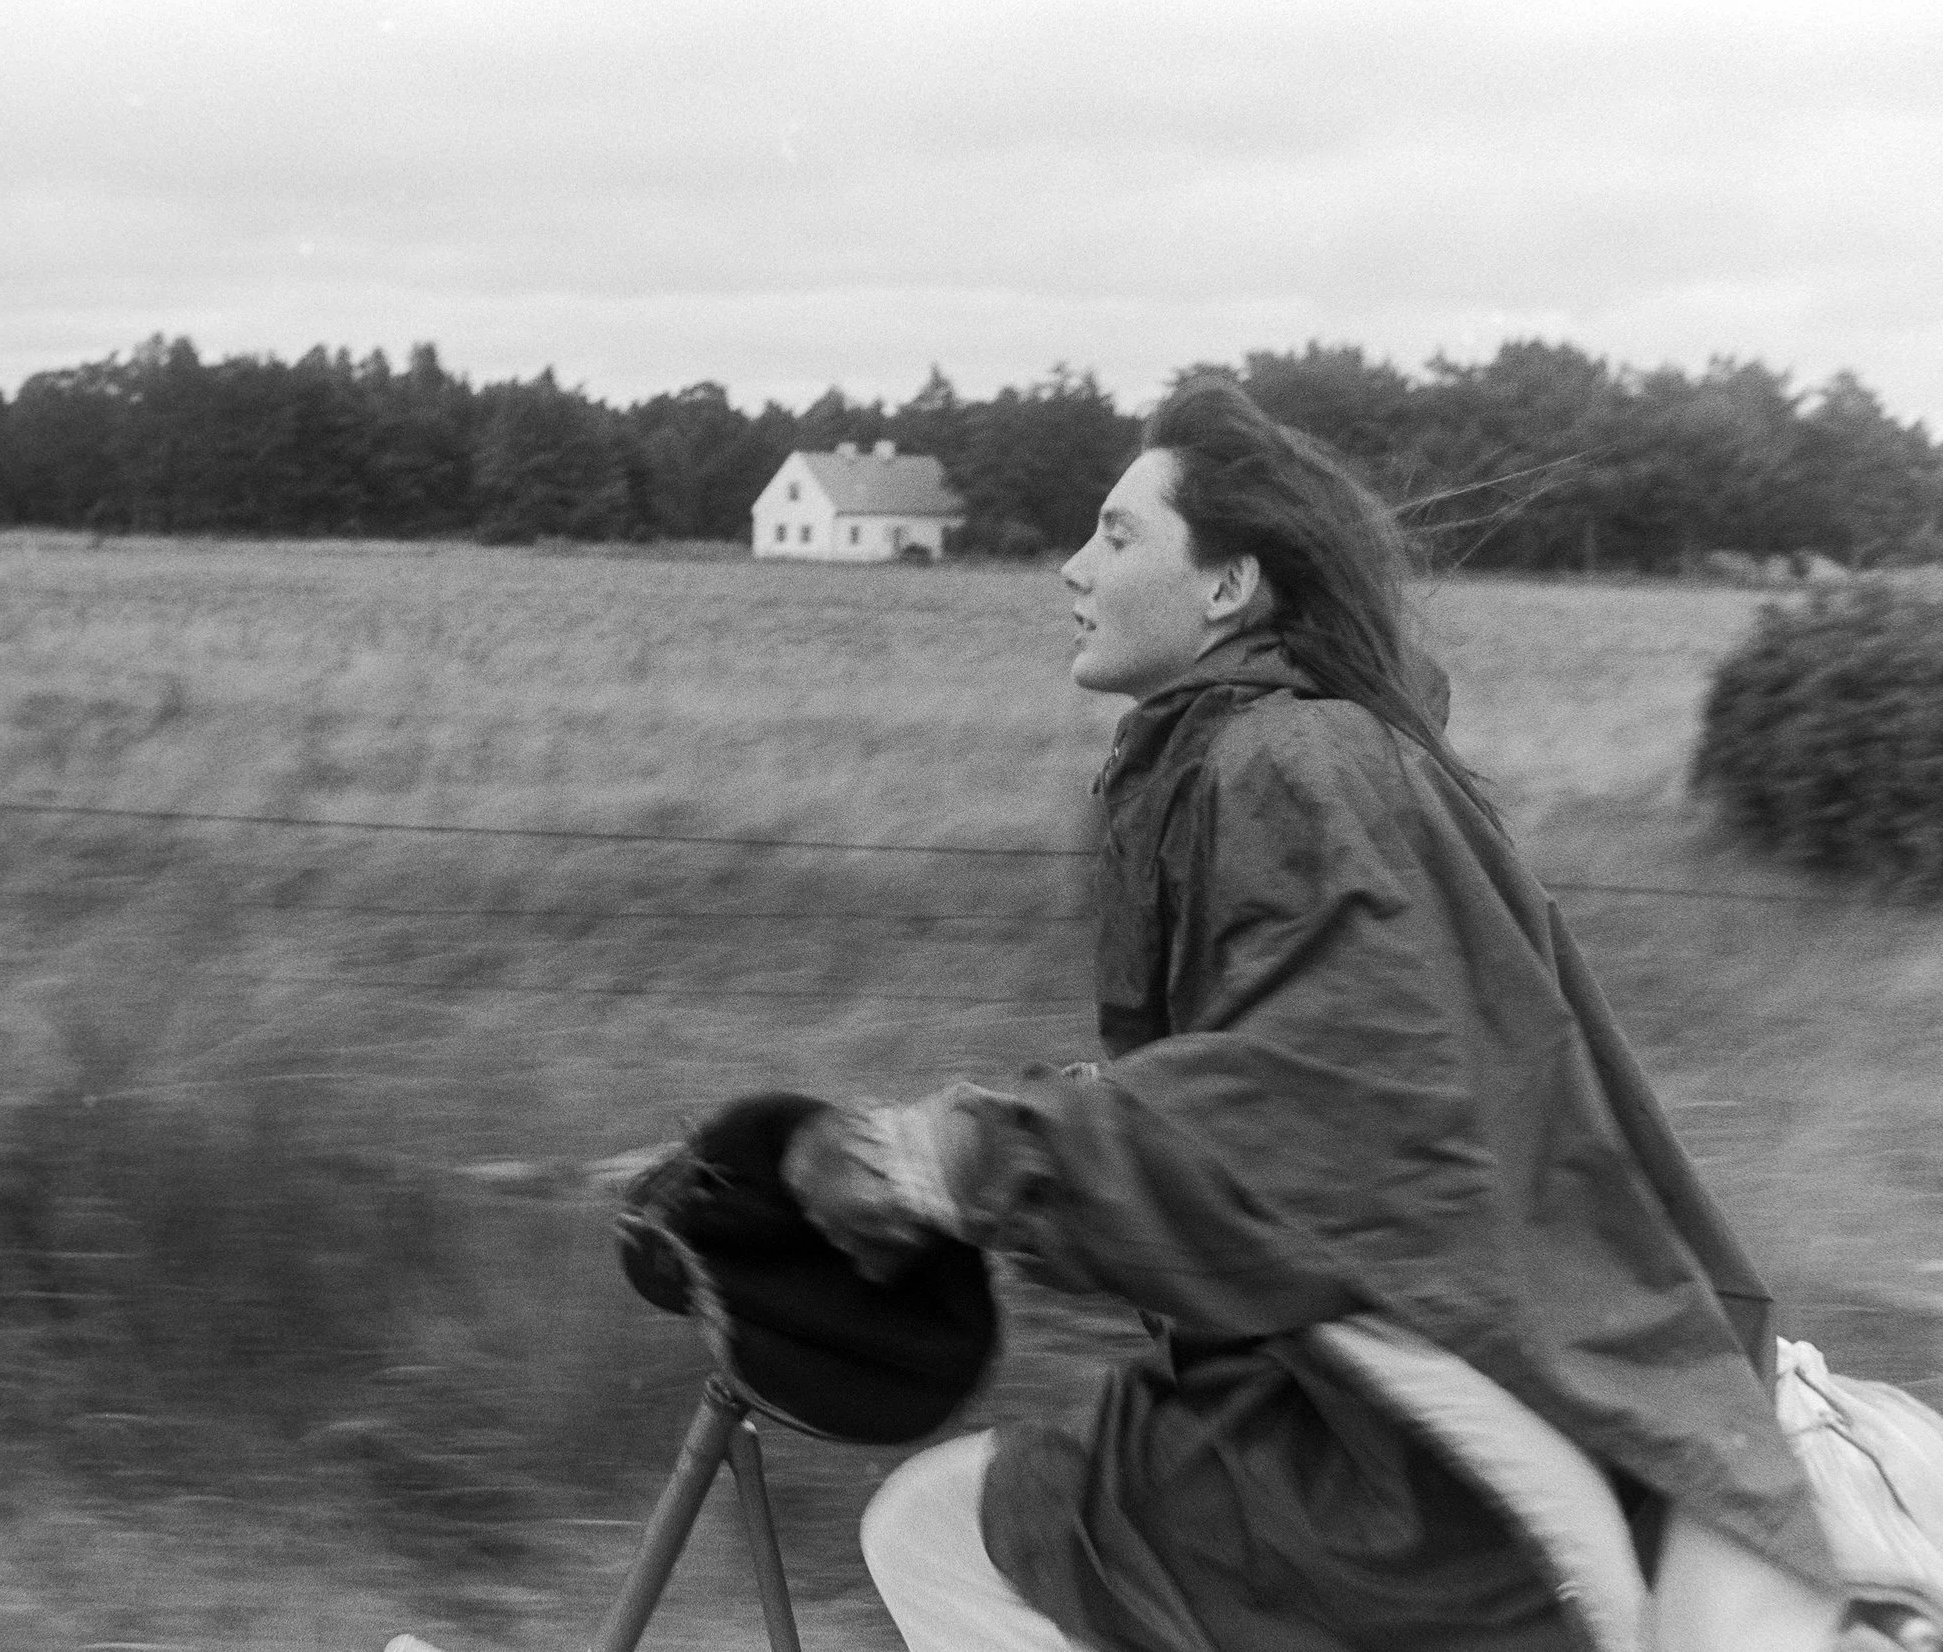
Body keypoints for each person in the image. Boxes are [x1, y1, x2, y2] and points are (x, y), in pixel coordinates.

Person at [779, 378, 1844, 1652]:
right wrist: (996, 1146)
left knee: (942, 1526)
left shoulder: (1292, 762)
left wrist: (956, 1158)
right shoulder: (1253, 756)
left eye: (1117, 535)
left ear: (1228, 589)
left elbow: (1323, 1096)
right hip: (1403, 1381)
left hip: (1424, 1453)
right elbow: (1258, 1063)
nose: (1071, 566)